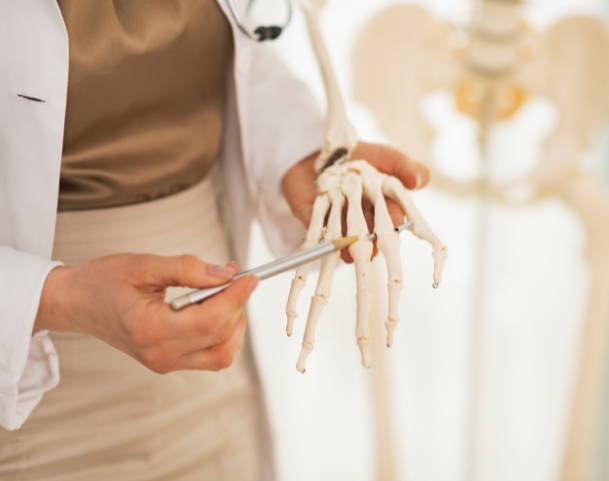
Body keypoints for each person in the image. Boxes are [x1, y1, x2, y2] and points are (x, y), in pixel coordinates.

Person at [0, 1, 430, 480]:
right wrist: (55, 297)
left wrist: (303, 152)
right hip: (22, 392)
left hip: (209, 386)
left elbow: (240, 47)